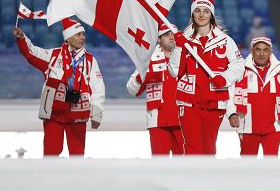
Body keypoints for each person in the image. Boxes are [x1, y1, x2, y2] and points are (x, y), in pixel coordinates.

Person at [13, 18, 105, 156]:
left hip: (78, 115)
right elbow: (31, 53)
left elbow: (98, 88)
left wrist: (96, 114)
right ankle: (49, 178)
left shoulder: (90, 60)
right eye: (78, 34)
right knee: (50, 155)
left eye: (83, 34)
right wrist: (22, 38)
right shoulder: (53, 56)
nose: (83, 38)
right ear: (68, 37)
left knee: (77, 156)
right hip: (54, 115)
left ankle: (76, 178)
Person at [169, 0, 244, 155]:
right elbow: (174, 71)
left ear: (211, 15)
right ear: (192, 14)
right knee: (192, 147)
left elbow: (239, 66)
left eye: (206, 11)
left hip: (215, 102)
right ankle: (191, 180)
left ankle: (207, 180)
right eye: (197, 11)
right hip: (188, 102)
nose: (201, 15)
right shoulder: (183, 40)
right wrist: (179, 48)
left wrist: (224, 77)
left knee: (209, 148)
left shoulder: (225, 41)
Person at [227, 37, 280, 157]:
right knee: (247, 164)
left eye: (265, 50)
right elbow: (230, 93)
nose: (261, 53)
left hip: (274, 126)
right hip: (247, 126)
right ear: (252, 51)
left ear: (271, 52)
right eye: (258, 50)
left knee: (271, 165)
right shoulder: (240, 69)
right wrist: (231, 113)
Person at [126, 23, 183, 156]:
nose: (171, 37)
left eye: (172, 34)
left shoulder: (186, 56)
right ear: (158, 38)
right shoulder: (148, 59)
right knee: (159, 165)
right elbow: (131, 89)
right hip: (157, 121)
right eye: (166, 34)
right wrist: (142, 76)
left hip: (182, 119)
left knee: (184, 164)